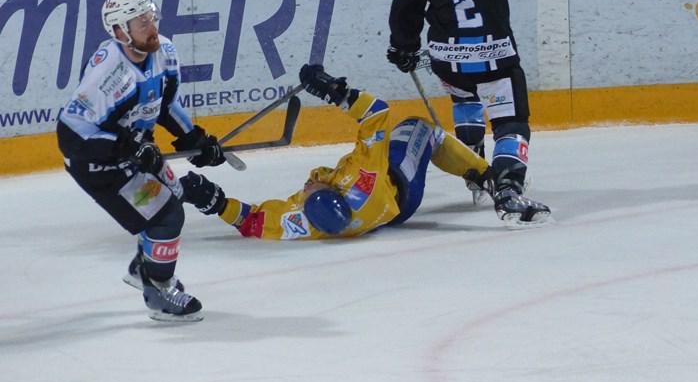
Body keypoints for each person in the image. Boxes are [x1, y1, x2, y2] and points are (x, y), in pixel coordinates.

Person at [385, 0, 614, 221]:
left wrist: (403, 47)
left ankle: (473, 167)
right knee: (510, 122)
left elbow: (403, 9)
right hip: (493, 58)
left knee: (465, 98)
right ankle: (507, 190)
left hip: (446, 60)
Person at [181, 63, 549, 236]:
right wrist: (334, 91)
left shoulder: (308, 222)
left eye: (306, 193)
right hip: (401, 186)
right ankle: (489, 178)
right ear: (336, 191)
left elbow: (253, 221)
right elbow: (378, 113)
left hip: (387, 212)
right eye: (312, 188)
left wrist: (214, 202)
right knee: (422, 129)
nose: (306, 186)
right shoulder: (362, 179)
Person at [56, 0, 228, 322]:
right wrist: (130, 148)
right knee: (167, 215)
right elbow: (72, 135)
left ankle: (143, 267)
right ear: (120, 31)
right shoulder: (108, 73)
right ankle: (158, 290)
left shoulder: (165, 51)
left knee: (172, 193)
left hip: (134, 150)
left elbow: (164, 105)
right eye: (141, 22)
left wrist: (193, 138)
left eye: (151, 18)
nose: (152, 27)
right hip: (99, 165)